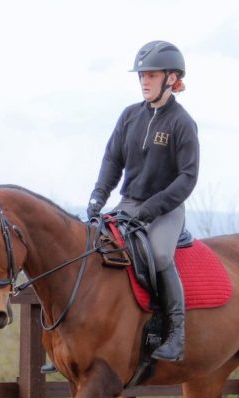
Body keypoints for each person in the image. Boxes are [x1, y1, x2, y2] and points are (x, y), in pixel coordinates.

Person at [87, 40, 199, 362]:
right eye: (141, 76)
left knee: (161, 255)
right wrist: (98, 196)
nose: (144, 81)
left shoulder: (182, 123)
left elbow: (187, 178)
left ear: (171, 78)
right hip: (128, 203)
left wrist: (153, 209)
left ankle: (176, 333)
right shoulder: (129, 116)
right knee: (92, 245)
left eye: (151, 75)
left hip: (166, 210)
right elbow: (112, 160)